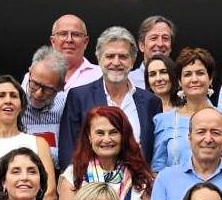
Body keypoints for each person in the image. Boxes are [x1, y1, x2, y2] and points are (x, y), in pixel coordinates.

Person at [57, 26, 159, 166]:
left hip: (138, 185)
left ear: (133, 60)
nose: (116, 62)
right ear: (99, 59)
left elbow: (155, 153)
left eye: (123, 56)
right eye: (110, 56)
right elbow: (68, 150)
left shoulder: (151, 102)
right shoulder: (78, 97)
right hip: (90, 185)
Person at [58, 105, 153, 200]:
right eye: (100, 133)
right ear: (89, 136)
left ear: (124, 136)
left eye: (113, 132)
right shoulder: (73, 175)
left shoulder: (141, 176)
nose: (107, 139)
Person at [150, 48, 222, 172]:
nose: (194, 79)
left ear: (210, 79)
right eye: (188, 74)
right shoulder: (164, 121)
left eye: (200, 73)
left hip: (221, 189)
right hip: (177, 190)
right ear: (180, 81)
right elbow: (157, 169)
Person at [0, 74, 57, 197]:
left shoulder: (39, 143)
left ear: (21, 106)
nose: (8, 100)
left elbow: (50, 192)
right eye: (1, 96)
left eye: (13, 96)